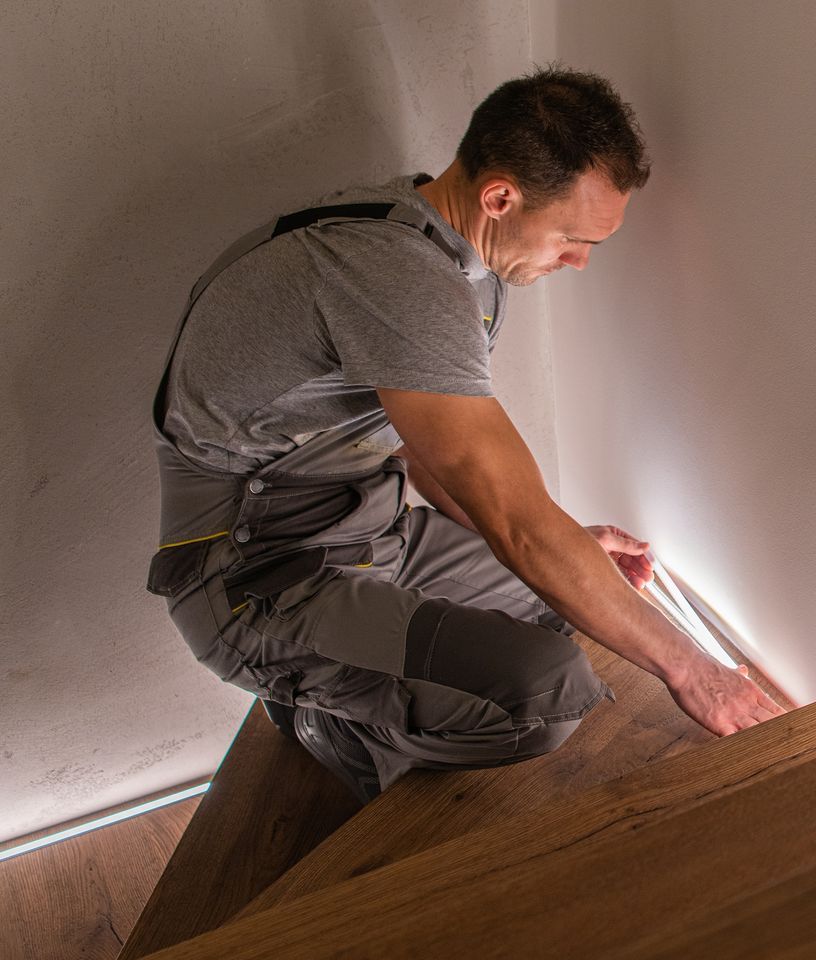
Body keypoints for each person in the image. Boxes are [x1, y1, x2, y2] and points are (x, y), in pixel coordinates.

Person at [145, 66, 782, 802]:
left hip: (370, 528)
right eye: (574, 238)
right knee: (546, 694)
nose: (576, 261)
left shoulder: (456, 262)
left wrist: (569, 542)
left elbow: (431, 455)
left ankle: (352, 673)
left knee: (562, 598)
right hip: (254, 574)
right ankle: (322, 722)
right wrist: (694, 670)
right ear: (501, 196)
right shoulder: (399, 278)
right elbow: (513, 518)